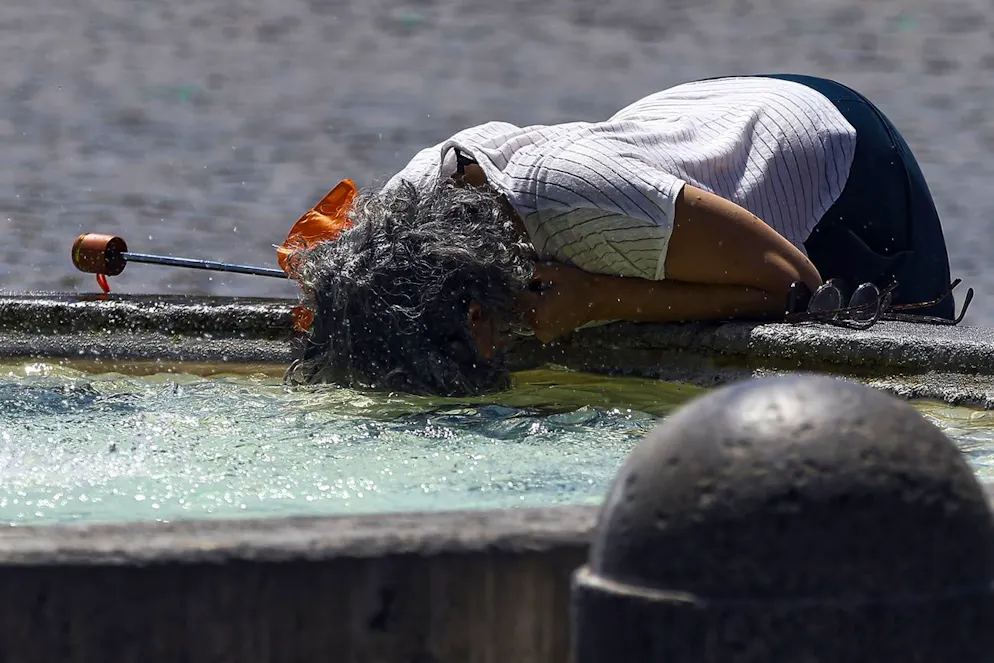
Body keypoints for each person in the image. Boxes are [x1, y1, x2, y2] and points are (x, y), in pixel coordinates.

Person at [283, 73, 956, 396]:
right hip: (702, 122)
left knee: (902, 389)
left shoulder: (576, 208)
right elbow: (340, 275)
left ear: (476, 309)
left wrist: (599, 300)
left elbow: (791, 282)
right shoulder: (408, 204)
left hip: (838, 156)